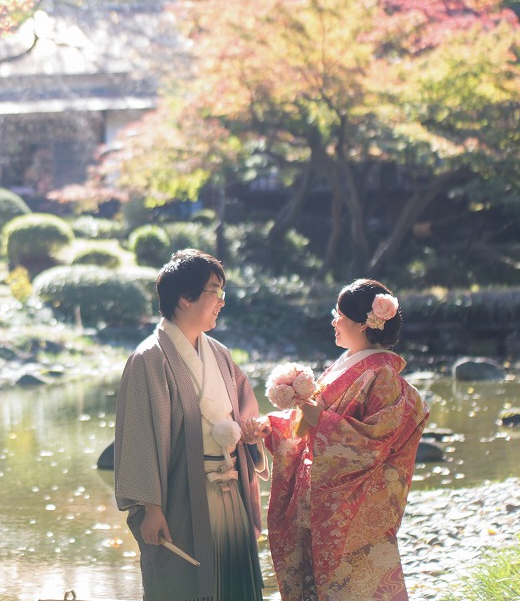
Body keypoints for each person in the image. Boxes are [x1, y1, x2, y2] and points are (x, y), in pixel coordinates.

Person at [257, 279, 428, 601]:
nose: (334, 321)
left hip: (355, 503)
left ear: (365, 322)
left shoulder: (383, 375)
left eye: (339, 314)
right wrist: (273, 426)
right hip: (319, 495)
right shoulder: (346, 365)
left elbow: (377, 441)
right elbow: (308, 421)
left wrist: (321, 420)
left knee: (353, 585)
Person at [113, 249, 266, 601]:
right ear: (185, 297)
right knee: (183, 582)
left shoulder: (220, 353)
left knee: (233, 582)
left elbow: (242, 409)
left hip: (228, 490)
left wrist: (251, 432)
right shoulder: (148, 359)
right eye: (215, 291)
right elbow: (138, 437)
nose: (221, 302)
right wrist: (150, 508)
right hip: (181, 495)